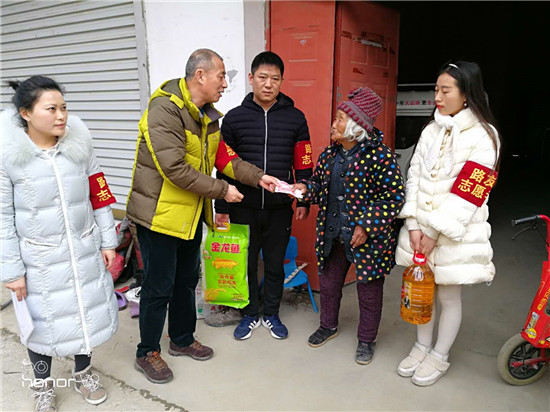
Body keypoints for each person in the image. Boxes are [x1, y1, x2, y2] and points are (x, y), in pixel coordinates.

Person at [125, 48, 278, 384]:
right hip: (159, 215)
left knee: (185, 282)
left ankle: (181, 339)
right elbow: (174, 169)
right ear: (200, 76)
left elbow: (225, 158)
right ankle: (146, 351)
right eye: (221, 76)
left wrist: (259, 177)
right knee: (158, 287)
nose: (225, 84)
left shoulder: (207, 116)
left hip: (190, 215)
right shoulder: (164, 109)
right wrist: (222, 191)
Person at [1, 76, 119, 411]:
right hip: (37, 259)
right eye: (51, 109)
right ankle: (42, 386)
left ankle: (83, 374)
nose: (61, 115)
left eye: (64, 107)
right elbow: (2, 217)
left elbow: (99, 193)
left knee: (84, 313)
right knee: (41, 326)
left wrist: (108, 239)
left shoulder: (79, 146)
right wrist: (12, 270)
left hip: (83, 249)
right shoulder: (9, 156)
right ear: (26, 113)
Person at [395, 61, 501, 386]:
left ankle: (439, 355)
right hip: (420, 232)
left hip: (455, 233)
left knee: (449, 297)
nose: (437, 97)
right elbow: (414, 176)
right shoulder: (431, 129)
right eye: (436, 90)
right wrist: (414, 224)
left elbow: (471, 193)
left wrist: (434, 232)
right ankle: (421, 346)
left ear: (466, 93)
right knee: (422, 290)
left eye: (445, 90)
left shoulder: (485, 136)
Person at [292, 87, 404, 364]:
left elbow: (394, 196)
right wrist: (304, 190)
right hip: (333, 235)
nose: (334, 124)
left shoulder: (381, 157)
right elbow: (318, 185)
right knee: (329, 285)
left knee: (369, 293)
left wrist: (366, 225)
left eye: (340, 119)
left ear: (356, 127)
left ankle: (366, 339)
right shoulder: (330, 155)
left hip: (368, 240)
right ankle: (327, 325)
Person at [213, 51, 313, 340]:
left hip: (279, 206)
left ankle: (271, 313)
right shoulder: (234, 119)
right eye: (262, 77)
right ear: (251, 78)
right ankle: (249, 314)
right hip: (242, 205)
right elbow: (224, 165)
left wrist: (304, 199)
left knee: (274, 263)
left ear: (282, 81)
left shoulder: (296, 118)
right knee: (244, 264)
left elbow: (304, 162)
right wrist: (222, 206)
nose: (268, 84)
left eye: (275, 79)